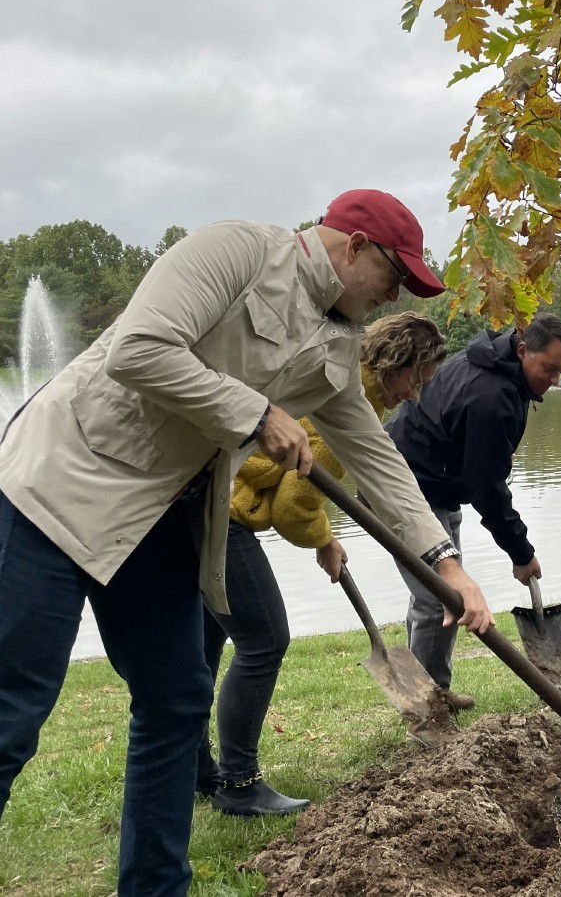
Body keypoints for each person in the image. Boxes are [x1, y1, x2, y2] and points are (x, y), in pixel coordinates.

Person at [0, 190, 494, 897]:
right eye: (393, 274)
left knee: (177, 699)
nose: (394, 292)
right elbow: (138, 349)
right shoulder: (237, 251)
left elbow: (379, 459)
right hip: (58, 486)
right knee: (7, 715)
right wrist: (255, 411)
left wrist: (448, 568)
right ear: (356, 246)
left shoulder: (339, 348)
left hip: (160, 512)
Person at [199, 311, 451, 816]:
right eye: (415, 379)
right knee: (265, 640)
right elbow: (293, 509)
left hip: (201, 501)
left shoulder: (327, 373)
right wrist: (322, 537)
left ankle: (195, 770)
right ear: (394, 363)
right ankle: (239, 782)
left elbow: (286, 492)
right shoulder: (345, 404)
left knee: (206, 644)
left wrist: (322, 537)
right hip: (225, 517)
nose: (414, 393)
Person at [384, 314, 561, 712]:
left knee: (432, 598)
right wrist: (520, 553)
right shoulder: (492, 396)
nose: (555, 380)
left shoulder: (494, 360)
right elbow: (486, 488)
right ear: (523, 350)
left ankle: (431, 688)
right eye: (550, 369)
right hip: (405, 488)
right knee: (440, 599)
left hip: (437, 484)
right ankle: (423, 708)